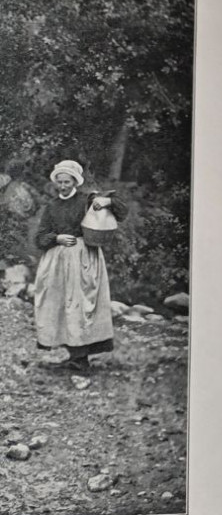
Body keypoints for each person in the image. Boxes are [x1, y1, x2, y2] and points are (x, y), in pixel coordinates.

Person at [33, 159, 128, 374]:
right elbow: (39, 238)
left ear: (75, 181)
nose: (63, 186)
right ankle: (73, 357)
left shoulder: (87, 200)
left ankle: (81, 358)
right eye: (60, 182)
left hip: (84, 258)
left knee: (80, 306)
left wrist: (106, 203)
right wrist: (56, 238)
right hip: (57, 262)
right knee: (59, 306)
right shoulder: (52, 206)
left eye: (67, 181)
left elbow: (121, 211)